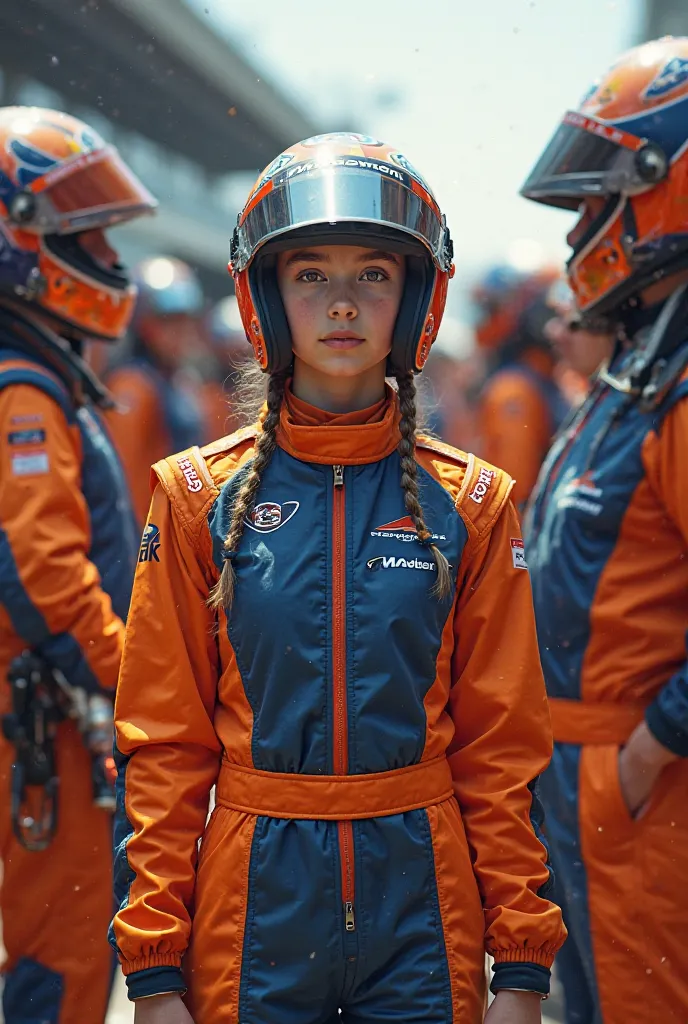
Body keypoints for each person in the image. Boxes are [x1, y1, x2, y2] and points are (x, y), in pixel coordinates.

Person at [109, 132, 566, 1024]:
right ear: (267, 297)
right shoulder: (195, 497)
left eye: (376, 275)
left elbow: (503, 750)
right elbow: (163, 746)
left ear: (417, 298)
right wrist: (156, 967)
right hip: (254, 908)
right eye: (311, 275)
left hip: (424, 910)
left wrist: (518, 964)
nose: (345, 303)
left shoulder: (472, 504)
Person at [520, 35, 688, 1024]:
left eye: (597, 201)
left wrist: (645, 754)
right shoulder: (638, 369)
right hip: (579, 777)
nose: (584, 229)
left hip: (638, 784)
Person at [0, 105, 156, 1023]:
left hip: (47, 712)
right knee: (60, 956)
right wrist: (138, 682)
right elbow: (40, 568)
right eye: (83, 231)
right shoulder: (23, 384)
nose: (103, 252)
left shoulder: (36, 370)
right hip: (44, 724)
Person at [105, 255, 207, 525]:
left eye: (187, 319)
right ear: (144, 325)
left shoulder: (180, 381)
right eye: (169, 320)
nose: (183, 330)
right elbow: (126, 485)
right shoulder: (132, 387)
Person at [472, 265, 570, 512]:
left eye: (492, 308)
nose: (484, 320)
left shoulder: (514, 390)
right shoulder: (544, 379)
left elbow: (513, 496)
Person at [197, 294, 248, 440]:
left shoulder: (272, 397)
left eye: (245, 352)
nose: (240, 361)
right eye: (234, 352)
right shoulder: (205, 396)